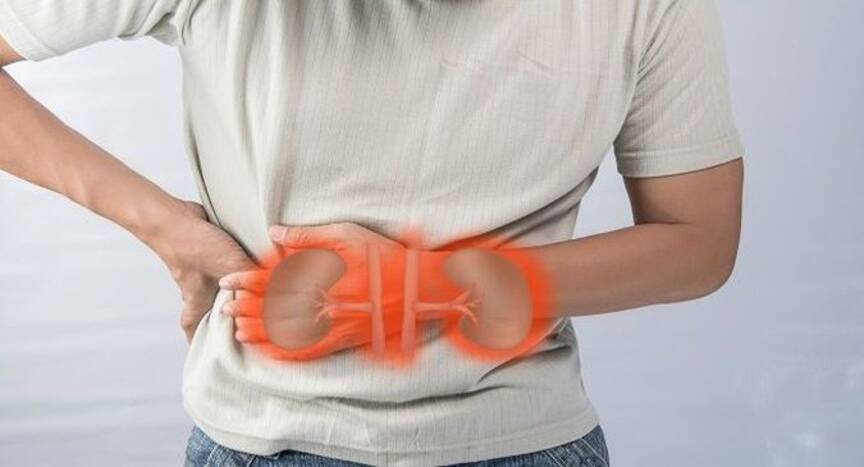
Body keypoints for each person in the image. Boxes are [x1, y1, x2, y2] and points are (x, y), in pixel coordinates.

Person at [0, 0, 744, 465]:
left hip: (520, 440)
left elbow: (699, 242)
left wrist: (423, 287)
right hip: (268, 439)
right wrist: (167, 229)